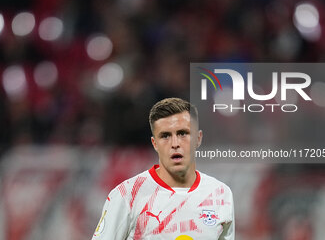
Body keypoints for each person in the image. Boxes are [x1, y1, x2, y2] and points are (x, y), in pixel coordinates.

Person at [91, 97, 235, 240]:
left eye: (183, 133)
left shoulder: (220, 194)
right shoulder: (127, 195)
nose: (175, 143)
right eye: (165, 136)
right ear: (155, 144)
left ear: (198, 138)